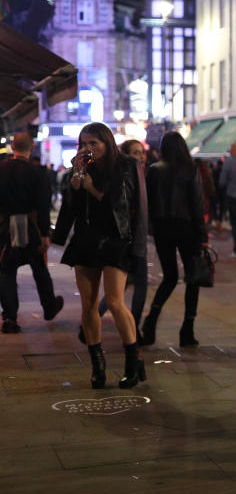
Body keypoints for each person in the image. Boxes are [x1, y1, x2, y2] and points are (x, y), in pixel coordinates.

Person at [51, 122, 147, 389]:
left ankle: (132, 361)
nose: (89, 148)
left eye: (94, 143)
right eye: (84, 143)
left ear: (107, 142)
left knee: (115, 302)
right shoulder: (81, 167)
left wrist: (91, 187)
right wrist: (74, 185)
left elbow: (126, 205)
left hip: (116, 240)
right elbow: (72, 208)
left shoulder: (126, 165)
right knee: (88, 305)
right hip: (86, 240)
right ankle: (98, 366)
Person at [141, 132, 209, 348]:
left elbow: (147, 202)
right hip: (186, 227)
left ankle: (151, 320)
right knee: (192, 277)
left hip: (162, 227)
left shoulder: (153, 170)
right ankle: (187, 329)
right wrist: (202, 234)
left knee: (169, 276)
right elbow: (197, 204)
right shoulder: (189, 169)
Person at [0, 133, 64, 332]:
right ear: (32, 147)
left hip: (5, 227)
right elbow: (43, 206)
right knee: (39, 268)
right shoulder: (38, 173)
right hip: (31, 226)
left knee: (6, 271)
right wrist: (45, 234)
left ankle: (10, 317)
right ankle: (49, 306)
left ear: (12, 147)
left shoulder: (1, 170)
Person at [90, 140, 149, 343]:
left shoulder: (143, 172)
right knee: (116, 295)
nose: (139, 157)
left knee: (122, 292)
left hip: (133, 238)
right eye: (134, 153)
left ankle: (133, 334)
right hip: (121, 240)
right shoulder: (121, 173)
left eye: (141, 153)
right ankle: (94, 320)